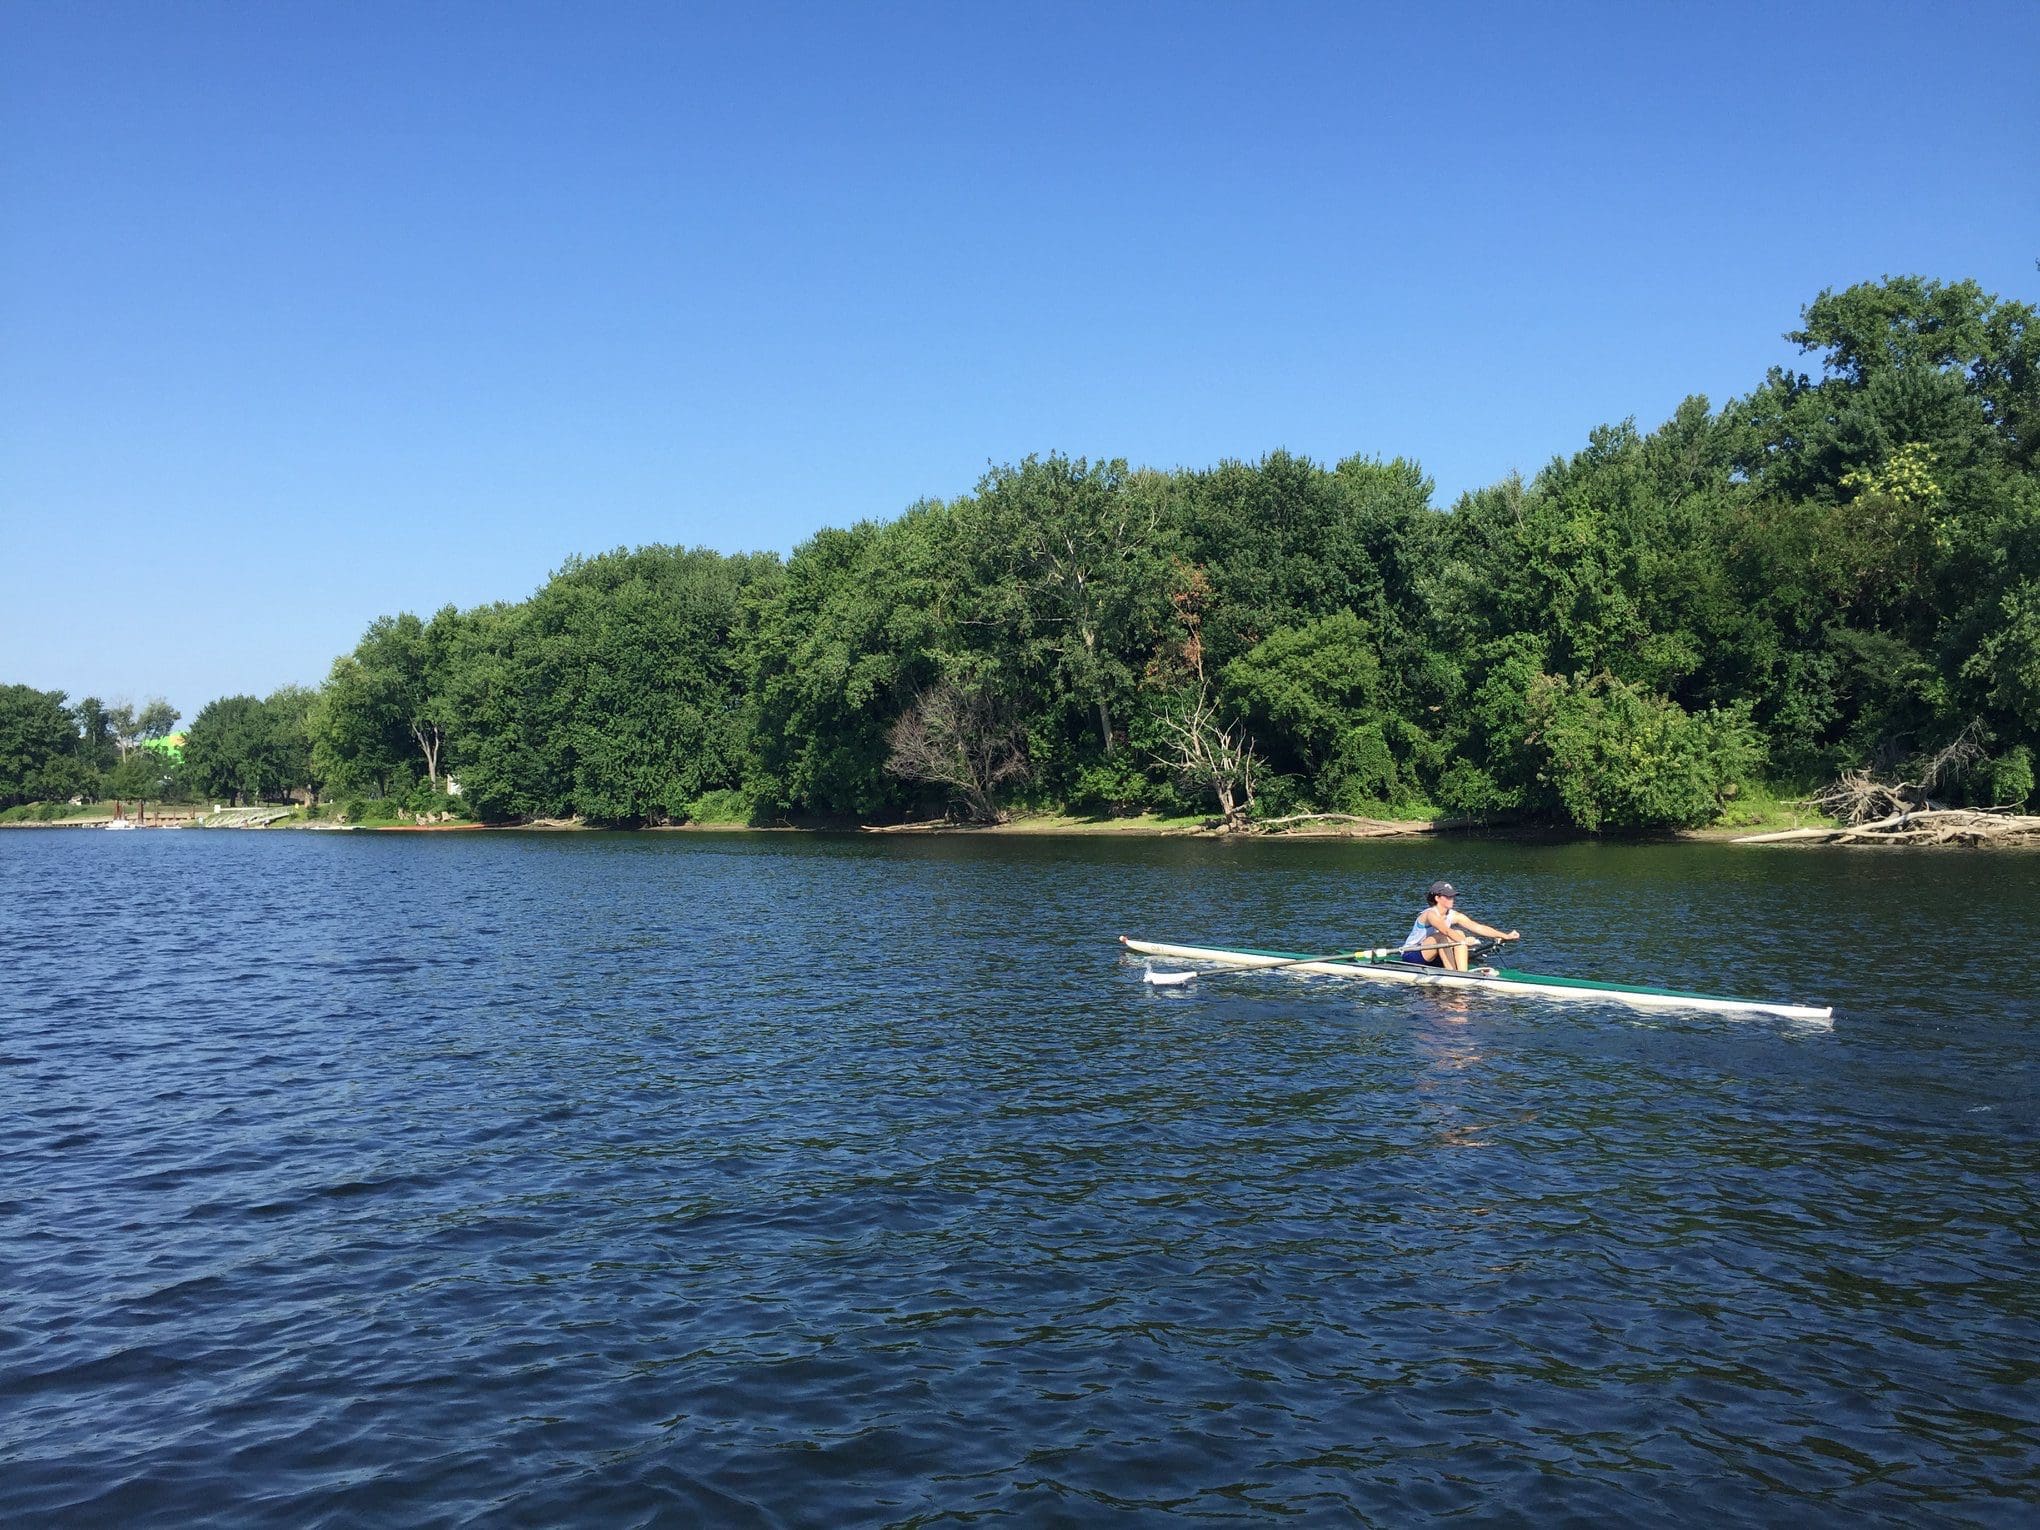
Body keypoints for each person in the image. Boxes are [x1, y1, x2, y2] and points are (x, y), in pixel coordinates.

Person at [1402, 881, 1518, 973]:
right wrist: (1464, 942)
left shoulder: (1454, 915)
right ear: (1437, 898)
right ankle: (1452, 972)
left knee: (1460, 933)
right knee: (1443, 936)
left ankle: (1462, 973)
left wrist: (1505, 936)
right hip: (1413, 954)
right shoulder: (1430, 914)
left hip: (1435, 956)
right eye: (1448, 897)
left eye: (1452, 896)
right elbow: (1445, 930)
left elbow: (1478, 927)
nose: (1452, 899)